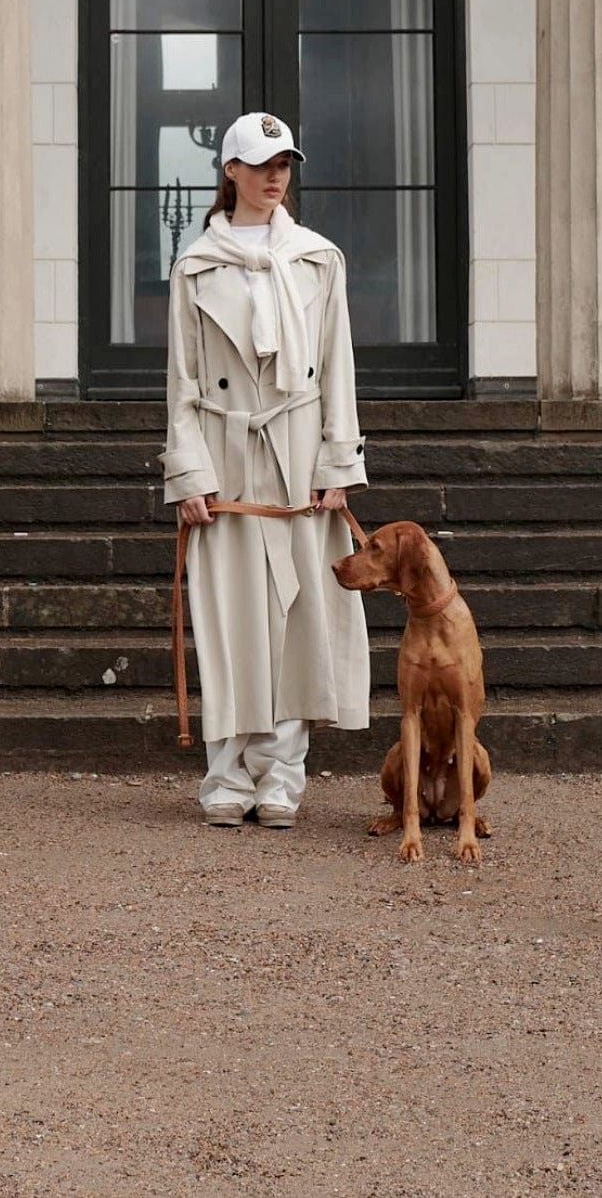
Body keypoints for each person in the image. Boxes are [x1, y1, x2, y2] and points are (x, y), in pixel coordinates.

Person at [160, 111, 370, 829]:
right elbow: (183, 380)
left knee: (301, 615)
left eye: (284, 165)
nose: (276, 176)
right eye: (261, 164)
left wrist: (338, 460)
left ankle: (282, 774)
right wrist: (189, 473)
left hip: (300, 451)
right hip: (226, 454)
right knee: (229, 616)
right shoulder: (195, 266)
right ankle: (225, 775)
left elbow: (337, 366)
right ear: (231, 171)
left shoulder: (319, 259)